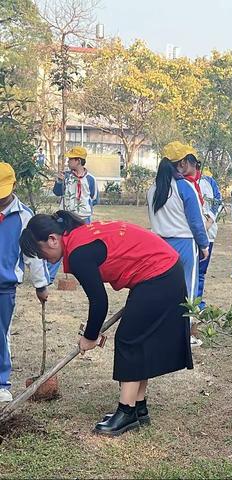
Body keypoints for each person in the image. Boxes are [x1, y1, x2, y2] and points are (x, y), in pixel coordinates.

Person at [20, 211, 192, 435]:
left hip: (159, 273)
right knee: (136, 340)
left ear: (52, 239)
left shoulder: (79, 253)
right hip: (162, 271)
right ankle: (139, 408)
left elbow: (99, 301)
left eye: (40, 252)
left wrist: (90, 337)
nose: (43, 259)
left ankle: (127, 412)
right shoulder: (79, 238)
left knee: (129, 340)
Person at [0, 163, 49, 403]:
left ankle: (1, 382)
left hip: (4, 286)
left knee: (1, 333)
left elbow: (33, 256)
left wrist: (41, 285)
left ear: (14, 186)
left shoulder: (23, 216)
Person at [147, 142, 209, 330]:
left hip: (159, 245)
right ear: (182, 163)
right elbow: (196, 222)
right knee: (187, 291)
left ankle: (163, 329)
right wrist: (204, 245)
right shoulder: (184, 187)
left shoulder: (153, 189)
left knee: (164, 291)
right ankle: (186, 333)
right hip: (184, 245)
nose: (194, 167)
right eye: (192, 163)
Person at [51, 146, 99, 281]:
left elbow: (94, 198)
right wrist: (59, 181)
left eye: (71, 159)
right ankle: (49, 276)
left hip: (83, 218)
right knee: (58, 244)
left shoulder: (90, 179)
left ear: (78, 160)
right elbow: (57, 192)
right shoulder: (65, 176)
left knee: (83, 247)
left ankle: (82, 275)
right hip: (65, 216)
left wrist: (83, 209)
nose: (68, 161)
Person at [197, 168, 223, 310]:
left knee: (201, 271)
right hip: (189, 235)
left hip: (208, 233)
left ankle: (197, 303)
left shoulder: (209, 181)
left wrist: (210, 220)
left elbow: (218, 201)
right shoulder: (182, 182)